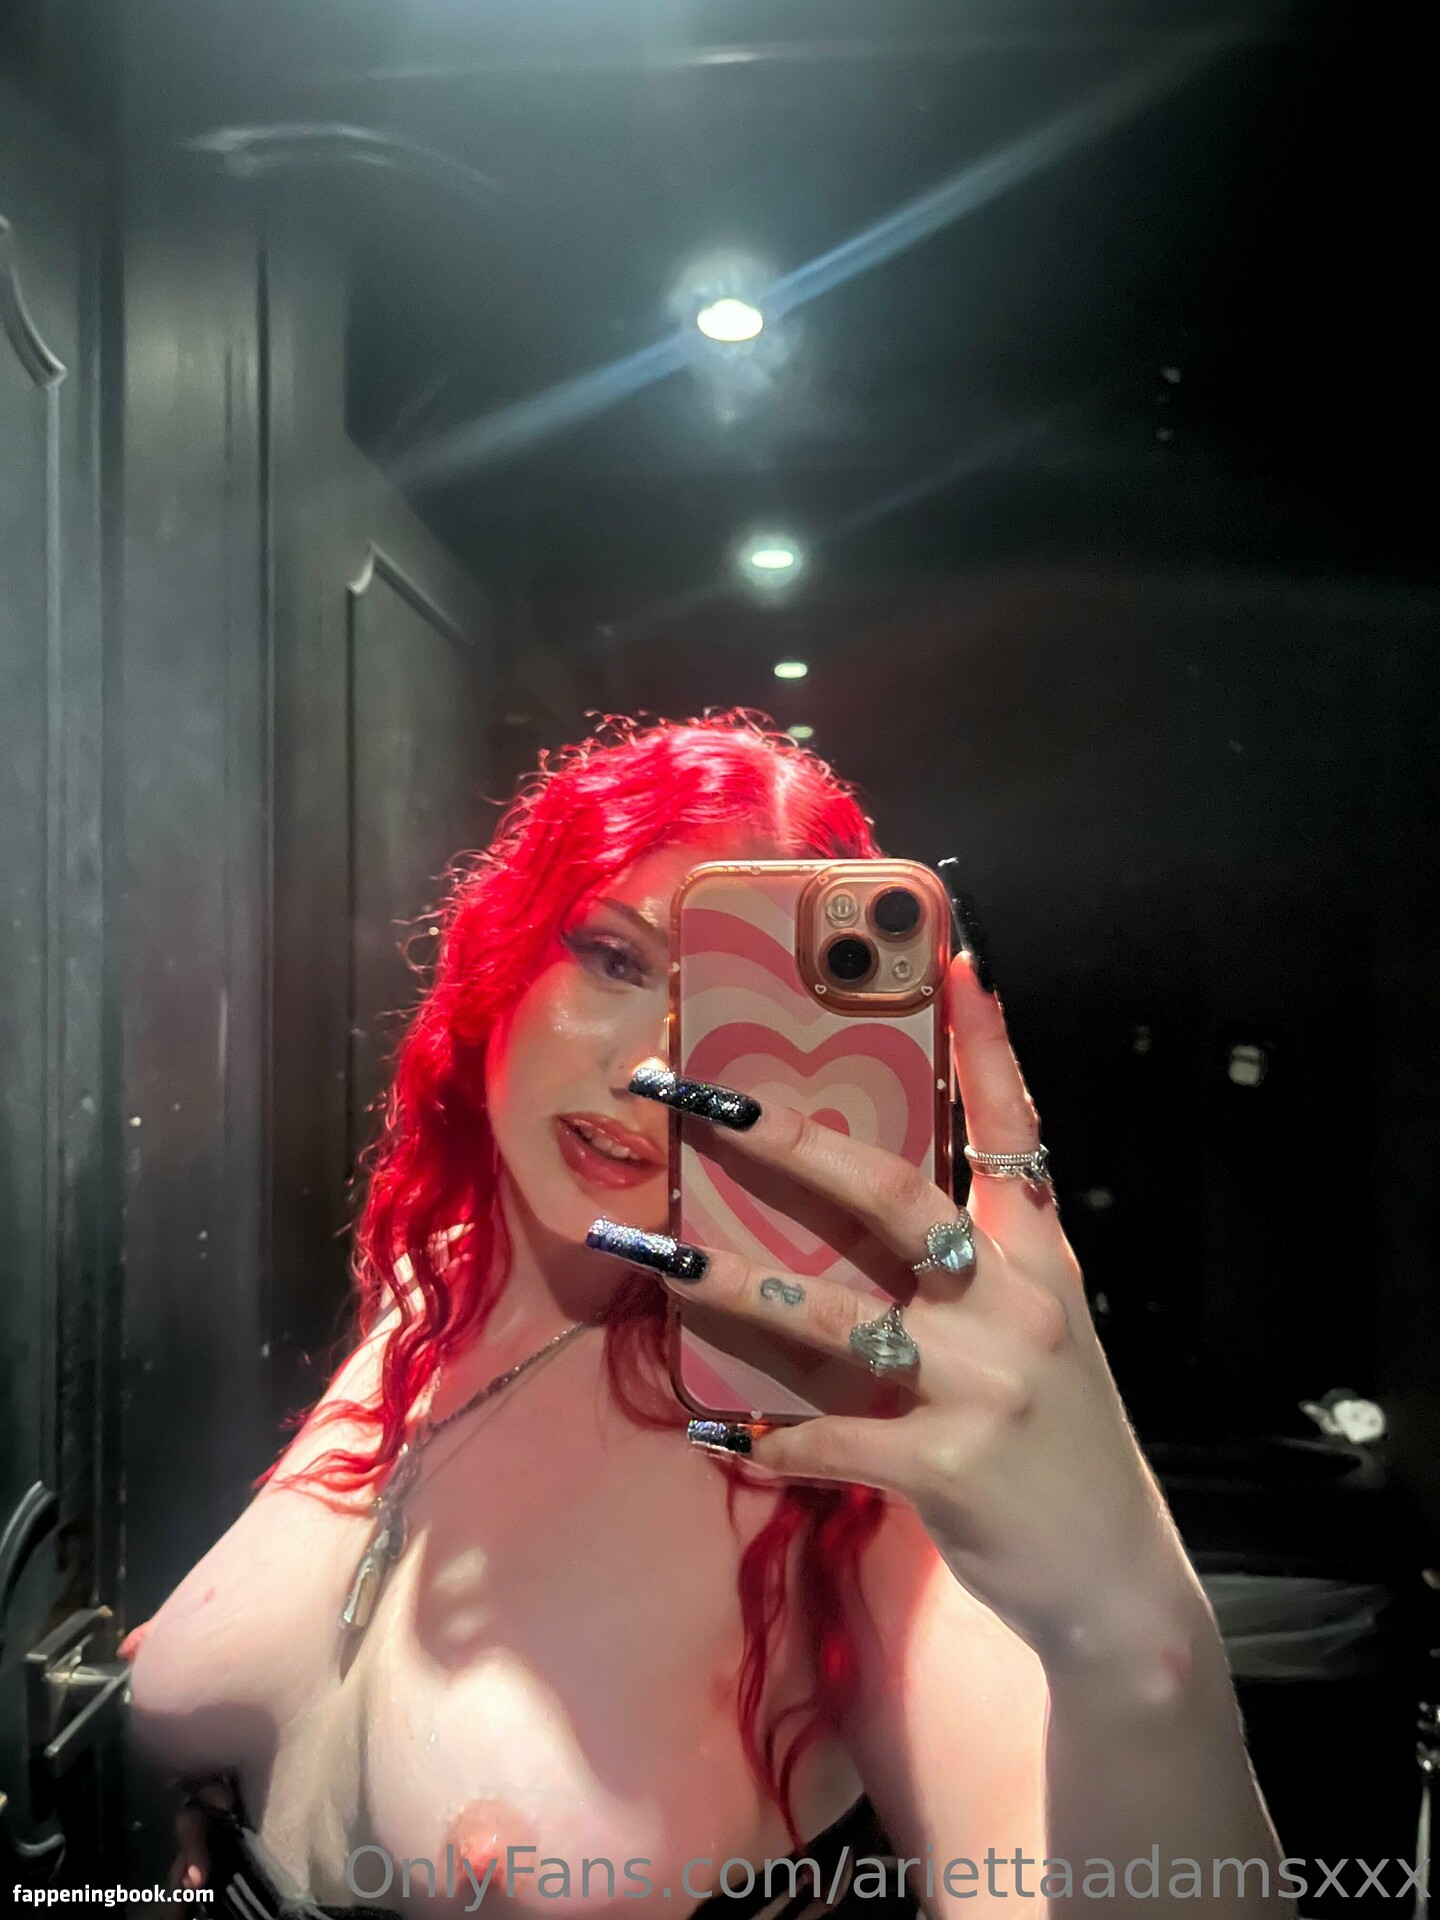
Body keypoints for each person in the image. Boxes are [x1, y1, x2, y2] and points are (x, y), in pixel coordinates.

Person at [123, 713, 1293, 1918]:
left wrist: (1132, 1628)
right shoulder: (434, 1287)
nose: (652, 1066)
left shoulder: (818, 1438)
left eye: (732, 1012)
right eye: (614, 960)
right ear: (506, 955)